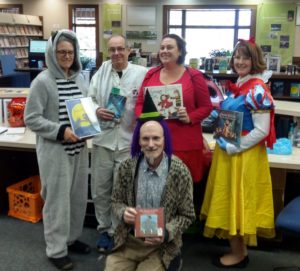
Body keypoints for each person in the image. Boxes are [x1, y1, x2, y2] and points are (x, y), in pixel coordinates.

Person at [200, 38, 276, 268]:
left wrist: (236, 146)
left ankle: (239, 254)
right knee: (231, 198)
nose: (240, 61)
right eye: (237, 57)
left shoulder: (257, 89)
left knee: (237, 200)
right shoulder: (243, 82)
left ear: (255, 61)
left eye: (245, 57)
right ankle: (239, 250)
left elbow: (262, 130)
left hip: (242, 155)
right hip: (230, 152)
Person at [104, 91, 195, 271]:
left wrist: (167, 232)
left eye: (156, 138)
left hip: (161, 245)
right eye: (145, 138)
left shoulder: (179, 171)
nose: (151, 144)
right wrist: (123, 212)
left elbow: (187, 215)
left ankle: (174, 260)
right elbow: (115, 201)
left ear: (164, 139)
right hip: (130, 241)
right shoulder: (126, 168)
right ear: (138, 140)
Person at [24, 29, 91, 270]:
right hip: (56, 152)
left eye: (70, 52)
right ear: (52, 53)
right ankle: (56, 249)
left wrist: (92, 119)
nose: (66, 56)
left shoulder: (80, 78)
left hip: (79, 149)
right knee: (56, 202)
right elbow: (31, 118)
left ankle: (71, 239)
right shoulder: (42, 81)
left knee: (76, 199)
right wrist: (60, 131)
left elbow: (83, 108)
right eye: (61, 52)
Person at [88, 34, 148, 253]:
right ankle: (104, 230)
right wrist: (95, 110)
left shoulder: (141, 74)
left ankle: (118, 230)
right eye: (112, 49)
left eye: (120, 49)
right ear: (107, 51)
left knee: (121, 191)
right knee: (100, 189)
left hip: (128, 142)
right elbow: (89, 98)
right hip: (103, 141)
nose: (116, 53)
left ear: (129, 50)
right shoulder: (100, 72)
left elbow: (147, 102)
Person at [135, 33, 212, 184]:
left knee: (184, 190)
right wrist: (145, 119)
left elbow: (206, 107)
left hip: (186, 144)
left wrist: (190, 117)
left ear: (181, 51)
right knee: (156, 188)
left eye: (170, 47)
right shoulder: (151, 74)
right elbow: (139, 104)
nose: (164, 50)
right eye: (162, 47)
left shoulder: (194, 75)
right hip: (155, 144)